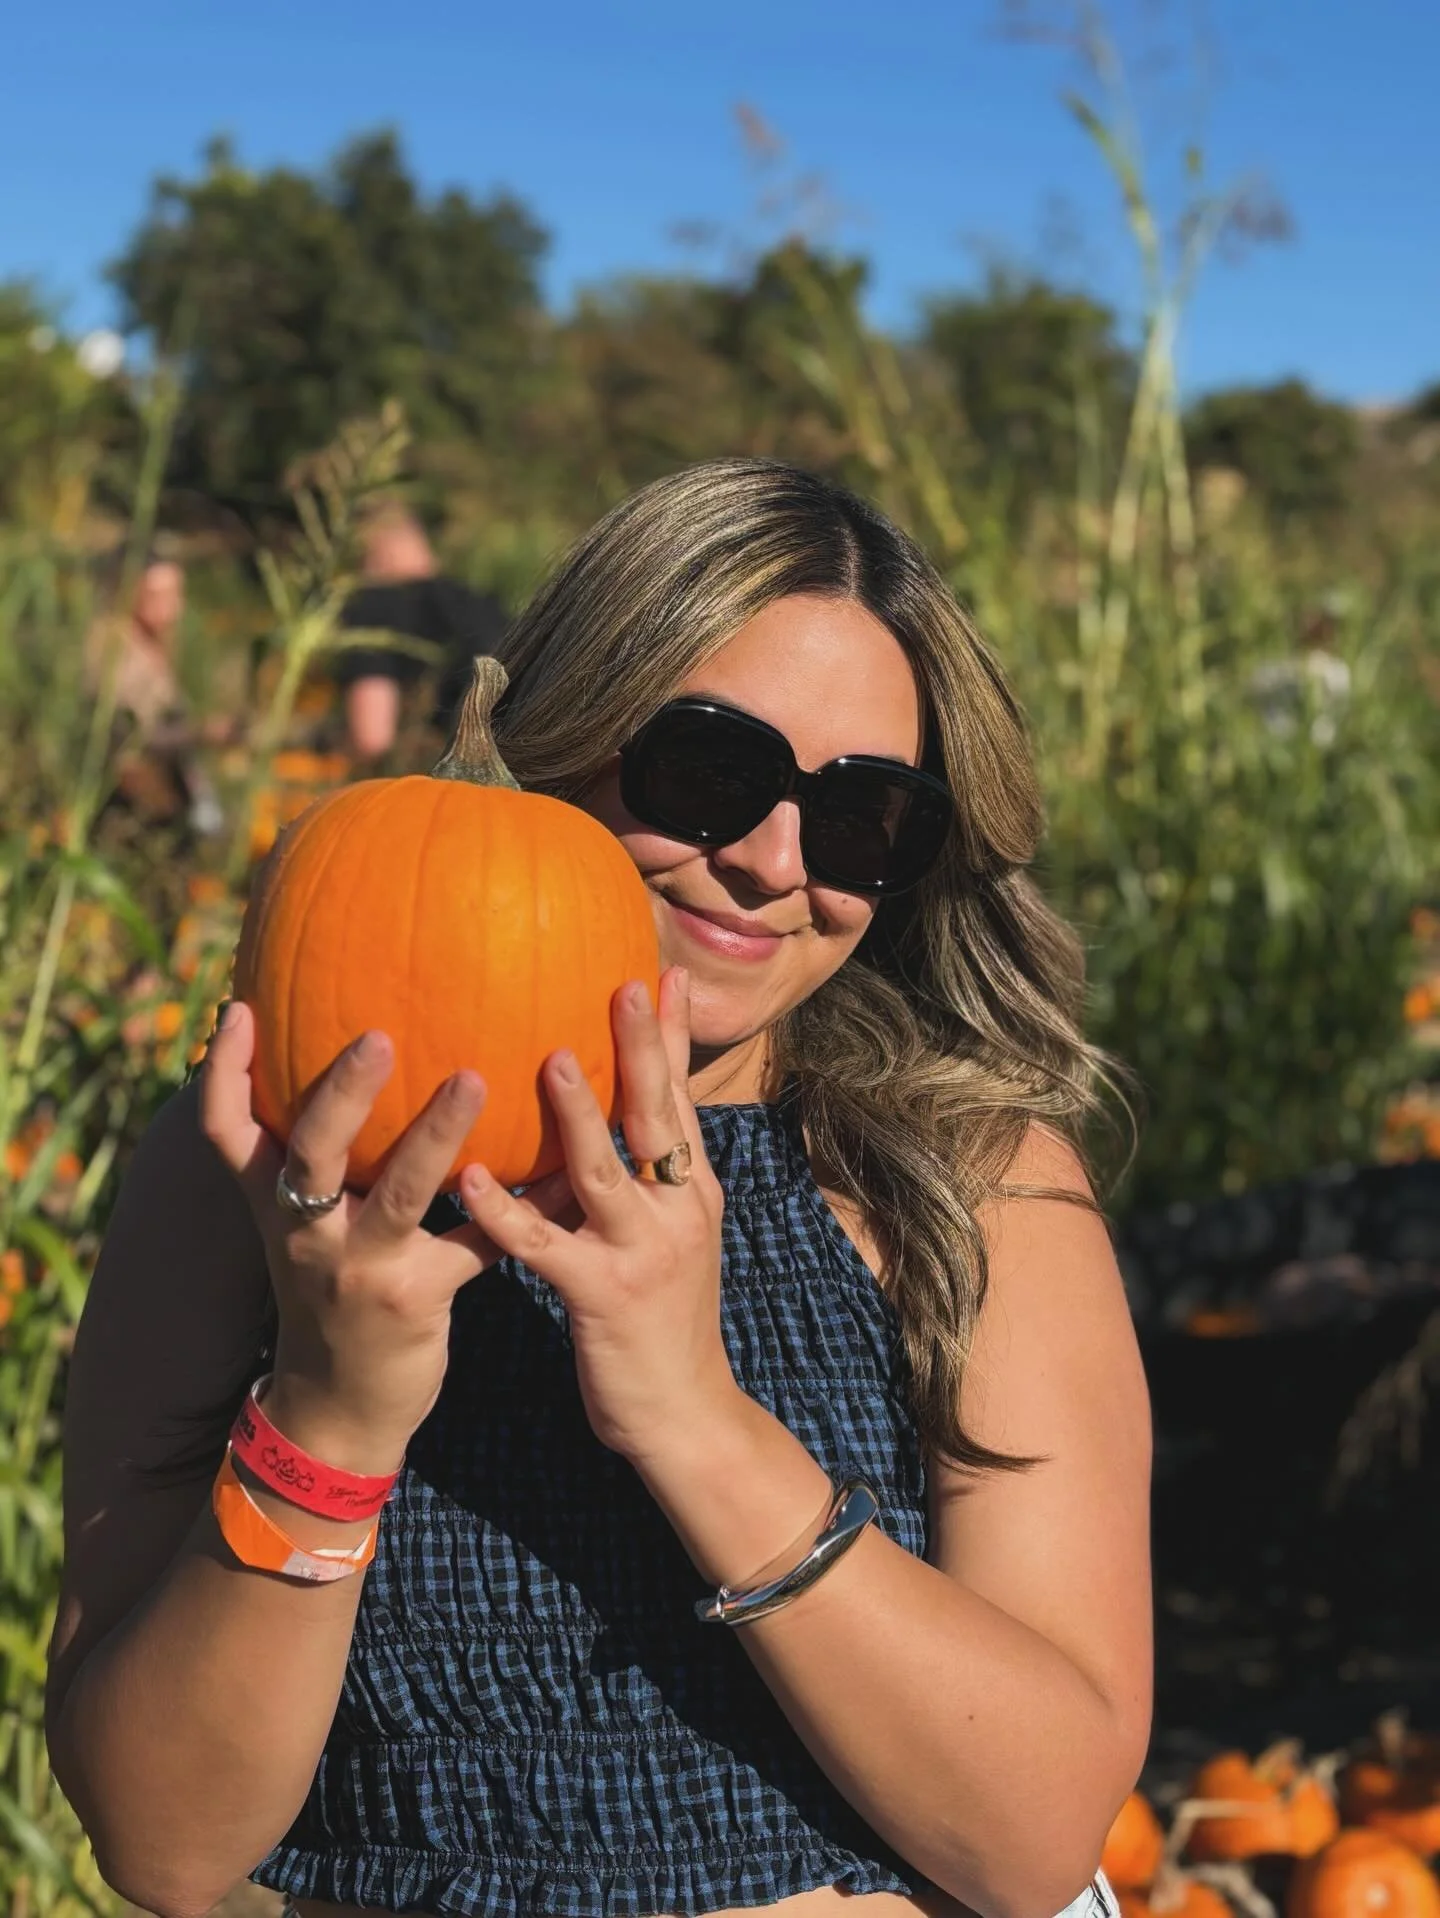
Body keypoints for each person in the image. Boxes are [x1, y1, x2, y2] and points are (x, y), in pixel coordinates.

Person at [48, 460, 1152, 1918]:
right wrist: (330, 1406)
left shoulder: (968, 1181)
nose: (769, 862)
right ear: (558, 729)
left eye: (862, 817)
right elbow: (164, 1844)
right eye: (711, 770)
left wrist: (692, 1412)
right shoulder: (264, 1163)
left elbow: (1034, 1836)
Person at [335, 504, 509, 763]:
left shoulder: (374, 606)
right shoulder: (483, 603)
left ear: (369, 556)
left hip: (456, 770)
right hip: (525, 766)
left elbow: (372, 738)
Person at [84, 548, 231, 835]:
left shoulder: (155, 644)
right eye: (159, 595)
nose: (174, 607)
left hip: (165, 795)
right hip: (130, 801)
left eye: (177, 593)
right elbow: (128, 735)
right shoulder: (112, 649)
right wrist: (202, 732)